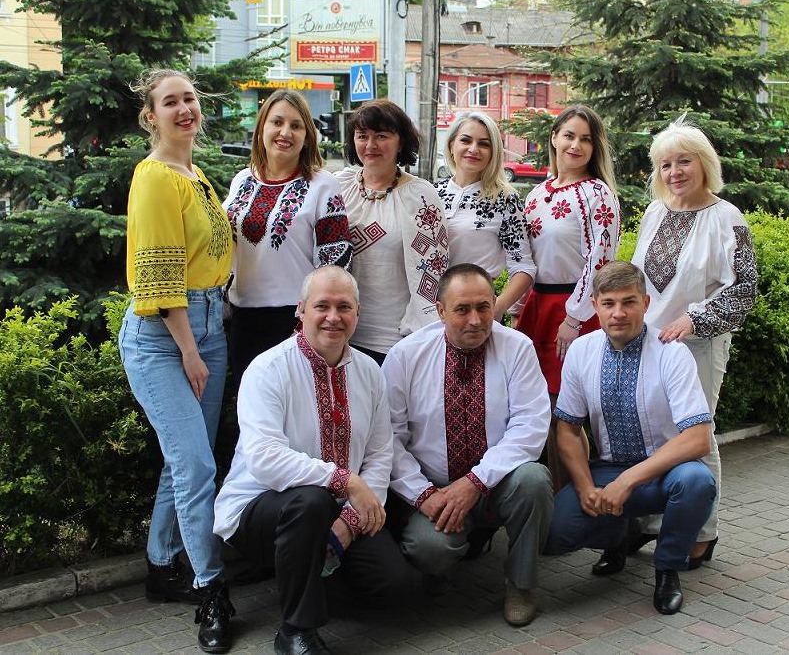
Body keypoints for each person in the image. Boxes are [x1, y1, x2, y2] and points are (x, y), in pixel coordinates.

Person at [213, 266, 414, 655]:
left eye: (344, 307)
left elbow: (379, 453)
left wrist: (350, 523)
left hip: (336, 511)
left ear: (358, 312)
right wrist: (345, 481)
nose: (333, 317)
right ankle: (295, 630)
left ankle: (308, 575)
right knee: (312, 500)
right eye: (322, 306)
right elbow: (265, 458)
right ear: (301, 310)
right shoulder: (268, 369)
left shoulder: (370, 372)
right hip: (261, 510)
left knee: (394, 586)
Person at [118, 68, 235, 653]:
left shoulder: (195, 174)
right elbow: (160, 274)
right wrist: (190, 350)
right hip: (166, 338)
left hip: (207, 328)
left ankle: (162, 565)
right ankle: (211, 588)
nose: (185, 108)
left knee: (183, 461)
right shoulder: (155, 177)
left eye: (189, 98)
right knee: (195, 466)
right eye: (171, 102)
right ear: (151, 115)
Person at [382, 263, 553, 627]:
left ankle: (521, 584)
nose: (475, 320)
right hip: (435, 489)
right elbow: (388, 438)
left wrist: (476, 482)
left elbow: (530, 425)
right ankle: (440, 567)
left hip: (497, 481)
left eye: (483, 307)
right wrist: (423, 495)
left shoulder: (517, 348)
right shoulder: (406, 356)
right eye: (462, 309)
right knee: (428, 549)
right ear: (440, 311)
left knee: (534, 481)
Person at [543, 261, 716, 616]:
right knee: (553, 535)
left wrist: (627, 481)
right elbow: (567, 429)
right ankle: (617, 536)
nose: (618, 313)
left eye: (628, 302)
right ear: (595, 305)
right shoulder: (581, 351)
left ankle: (667, 568)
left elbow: (698, 438)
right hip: (607, 470)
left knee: (697, 482)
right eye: (608, 303)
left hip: (664, 473)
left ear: (645, 303)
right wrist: (584, 487)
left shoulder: (671, 352)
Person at [626, 116, 757, 568]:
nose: (674, 172)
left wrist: (695, 319)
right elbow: (640, 278)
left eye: (684, 161)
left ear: (704, 163)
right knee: (654, 431)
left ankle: (703, 533)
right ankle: (651, 524)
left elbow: (743, 288)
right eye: (665, 164)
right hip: (650, 345)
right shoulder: (655, 212)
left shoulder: (726, 218)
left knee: (696, 435)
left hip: (699, 344)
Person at [516, 105, 621, 484]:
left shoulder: (597, 194)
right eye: (569, 135)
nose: (576, 145)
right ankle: (551, 493)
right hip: (537, 308)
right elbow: (525, 256)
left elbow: (600, 259)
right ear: (554, 138)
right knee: (536, 408)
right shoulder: (536, 194)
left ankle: (580, 494)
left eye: (586, 139)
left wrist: (574, 318)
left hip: (573, 311)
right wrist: (517, 308)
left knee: (567, 412)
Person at [224, 90, 351, 389]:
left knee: (298, 410)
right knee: (250, 409)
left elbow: (335, 260)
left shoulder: (322, 185)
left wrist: (312, 322)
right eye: (277, 122)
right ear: (261, 129)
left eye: (296, 125)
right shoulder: (242, 180)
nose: (285, 132)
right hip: (242, 320)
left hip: (295, 322)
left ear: (307, 137)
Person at [336, 99, 448, 364]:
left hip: (395, 342)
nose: (370, 145)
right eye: (362, 136)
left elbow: (434, 272)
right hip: (338, 334)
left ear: (401, 142)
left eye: (382, 136)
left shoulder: (421, 196)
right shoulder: (337, 187)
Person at [434, 111, 536, 321]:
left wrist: (498, 307)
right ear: (452, 145)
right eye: (466, 140)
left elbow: (523, 266)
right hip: (429, 311)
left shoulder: (504, 199)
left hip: (476, 312)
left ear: (493, 152)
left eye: (484, 144)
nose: (473, 149)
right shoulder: (431, 194)